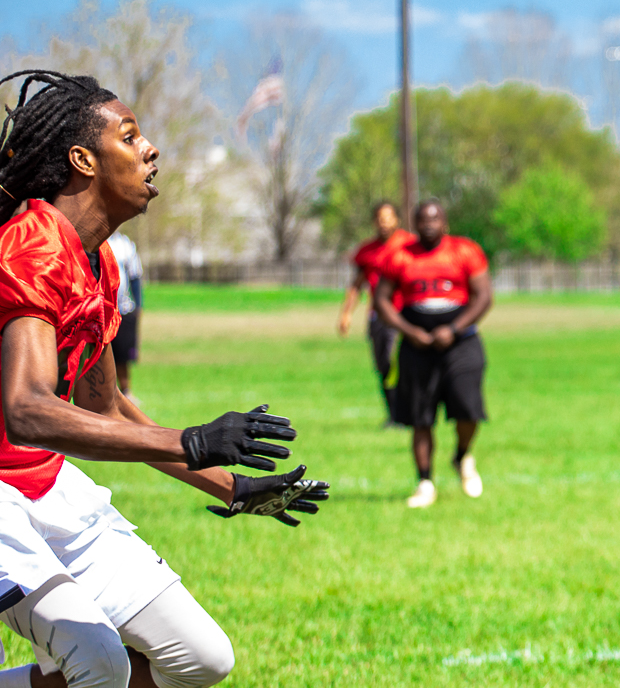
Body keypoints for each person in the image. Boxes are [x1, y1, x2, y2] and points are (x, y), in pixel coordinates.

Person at [0, 70, 328, 688]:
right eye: (131, 137)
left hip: (43, 485)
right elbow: (26, 409)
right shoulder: (32, 248)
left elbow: (109, 411)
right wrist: (192, 439)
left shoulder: (96, 264)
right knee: (98, 663)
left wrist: (230, 485)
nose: (151, 149)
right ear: (82, 159)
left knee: (202, 659)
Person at [374, 200, 492, 509]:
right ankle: (425, 482)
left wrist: (453, 329)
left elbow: (483, 296)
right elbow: (382, 300)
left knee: (468, 409)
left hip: (460, 341)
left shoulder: (465, 251)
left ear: (445, 222)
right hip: (417, 345)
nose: (429, 225)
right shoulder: (400, 256)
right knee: (420, 417)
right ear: (414, 224)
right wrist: (408, 331)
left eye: (435, 219)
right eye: (423, 220)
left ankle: (462, 455)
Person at [336, 201, 415, 423]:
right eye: (380, 218)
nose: (384, 223)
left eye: (388, 217)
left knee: (399, 363)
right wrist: (346, 314)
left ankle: (407, 413)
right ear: (374, 222)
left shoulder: (409, 245)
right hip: (378, 317)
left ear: (397, 219)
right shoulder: (367, 251)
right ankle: (394, 415)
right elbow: (356, 284)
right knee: (383, 367)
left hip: (404, 314)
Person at [106, 230, 143, 396]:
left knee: (123, 355)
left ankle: (126, 392)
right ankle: (106, 394)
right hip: (102, 309)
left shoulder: (125, 244)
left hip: (124, 309)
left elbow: (135, 277)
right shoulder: (95, 241)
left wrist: (139, 305)